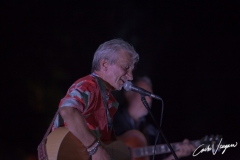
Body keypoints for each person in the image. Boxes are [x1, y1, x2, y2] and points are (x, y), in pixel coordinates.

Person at [52, 39, 139, 160]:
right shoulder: (89, 86)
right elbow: (67, 110)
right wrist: (95, 148)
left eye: (131, 70)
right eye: (126, 67)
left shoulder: (106, 98)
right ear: (105, 64)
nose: (130, 76)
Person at [113, 76, 195, 160]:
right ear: (128, 94)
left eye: (150, 95)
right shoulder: (111, 118)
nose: (149, 100)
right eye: (143, 94)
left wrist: (177, 154)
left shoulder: (151, 132)